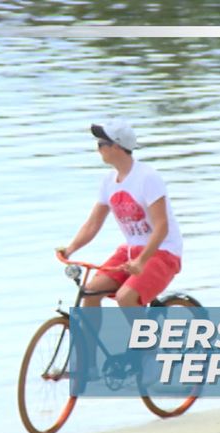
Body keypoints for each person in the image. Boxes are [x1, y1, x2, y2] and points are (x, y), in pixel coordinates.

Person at [59, 118, 183, 307]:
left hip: (163, 252)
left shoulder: (147, 178)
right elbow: (93, 223)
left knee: (125, 298)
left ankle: (143, 336)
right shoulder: (108, 182)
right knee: (90, 292)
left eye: (101, 144)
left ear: (116, 147)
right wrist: (69, 250)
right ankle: (90, 338)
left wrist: (141, 261)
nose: (98, 149)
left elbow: (162, 227)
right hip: (131, 251)